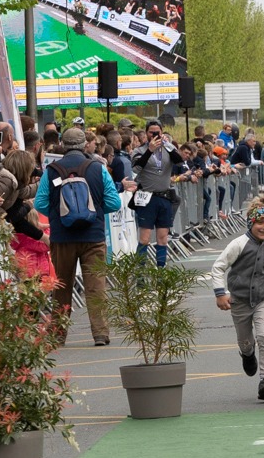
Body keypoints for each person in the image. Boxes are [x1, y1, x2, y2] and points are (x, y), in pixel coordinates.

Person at [33, 127, 121, 346]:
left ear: (63, 144)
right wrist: (93, 212)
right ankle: (100, 333)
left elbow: (40, 203)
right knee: (96, 286)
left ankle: (58, 334)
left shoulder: (51, 170)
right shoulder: (98, 169)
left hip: (62, 237)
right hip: (93, 236)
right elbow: (114, 202)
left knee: (62, 286)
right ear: (84, 145)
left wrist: (60, 215)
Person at [211, 194, 264, 401]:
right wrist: (220, 293)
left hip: (262, 299)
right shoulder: (238, 244)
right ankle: (247, 354)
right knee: (246, 341)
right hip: (239, 300)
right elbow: (218, 267)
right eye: (260, 222)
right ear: (251, 223)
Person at [131, 120, 182, 267]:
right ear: (146, 134)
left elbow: (179, 163)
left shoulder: (168, 148)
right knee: (145, 238)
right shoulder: (139, 151)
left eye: (157, 132)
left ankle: (160, 271)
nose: (154, 135)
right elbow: (136, 168)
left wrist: (168, 145)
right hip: (147, 198)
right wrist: (150, 150)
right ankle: (140, 273)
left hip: (164, 197)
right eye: (151, 132)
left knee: (163, 237)